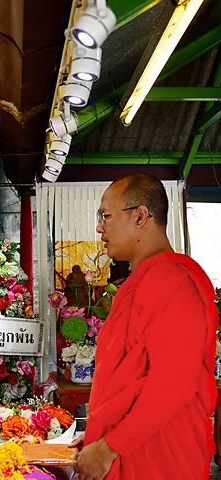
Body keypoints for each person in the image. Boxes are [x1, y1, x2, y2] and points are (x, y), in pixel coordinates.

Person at [69, 174, 217, 480]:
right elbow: (128, 378)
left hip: (159, 458)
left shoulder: (172, 281)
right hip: (135, 448)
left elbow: (173, 383)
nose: (99, 227)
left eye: (105, 216)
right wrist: (102, 434)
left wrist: (110, 446)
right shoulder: (142, 281)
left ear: (140, 216)